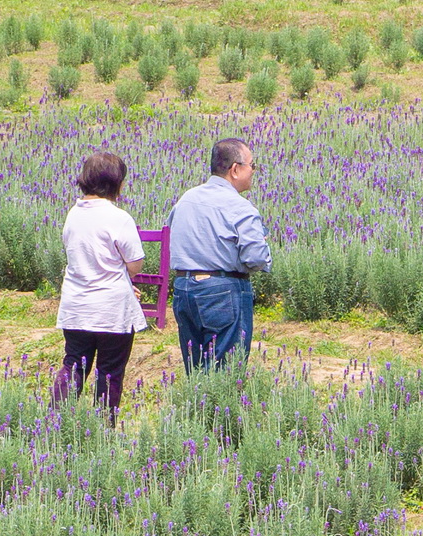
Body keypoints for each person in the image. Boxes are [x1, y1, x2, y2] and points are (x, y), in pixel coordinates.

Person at [165, 137, 274, 374]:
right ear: (235, 169)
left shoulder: (186, 199)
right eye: (252, 165)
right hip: (223, 291)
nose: (254, 171)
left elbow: (171, 234)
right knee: (224, 371)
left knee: (195, 368)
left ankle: (196, 410)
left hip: (184, 289)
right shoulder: (241, 207)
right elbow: (255, 257)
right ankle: (218, 411)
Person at [53, 150, 146, 422]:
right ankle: (103, 431)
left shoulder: (73, 214)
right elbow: (135, 263)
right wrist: (124, 281)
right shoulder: (118, 218)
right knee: (110, 372)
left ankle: (53, 424)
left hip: (76, 307)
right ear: (115, 182)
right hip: (111, 311)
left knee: (73, 365)